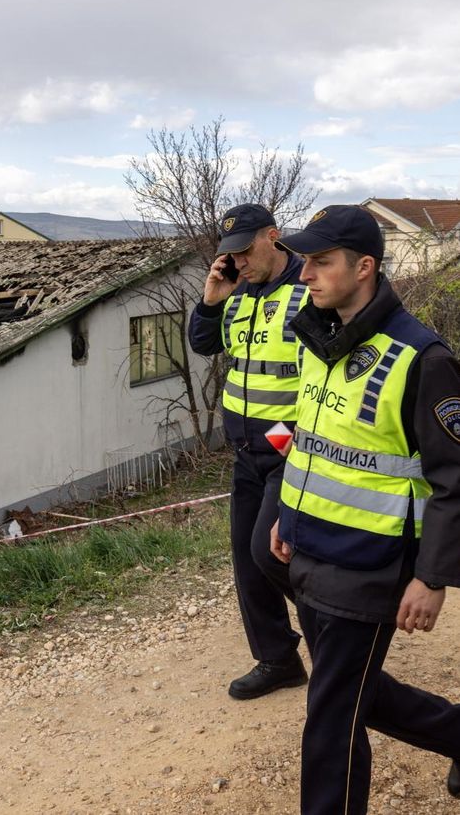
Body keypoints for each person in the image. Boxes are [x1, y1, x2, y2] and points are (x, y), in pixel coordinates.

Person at [270, 204, 460, 814]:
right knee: (351, 693)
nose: (305, 275)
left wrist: (432, 578)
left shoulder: (423, 359)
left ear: (365, 268)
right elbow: (316, 447)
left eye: (321, 263)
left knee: (330, 723)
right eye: (304, 261)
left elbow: (453, 481)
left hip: (372, 569)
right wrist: (287, 515)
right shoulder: (316, 341)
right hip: (309, 552)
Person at [188, 203, 308, 699]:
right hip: (245, 451)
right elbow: (202, 344)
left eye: (244, 249)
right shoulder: (237, 293)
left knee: (268, 551)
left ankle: (338, 622)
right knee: (246, 558)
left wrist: (293, 438)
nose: (238, 260)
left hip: (292, 450)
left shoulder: (309, 288)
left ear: (272, 237)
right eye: (229, 253)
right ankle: (278, 658)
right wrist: (212, 299)